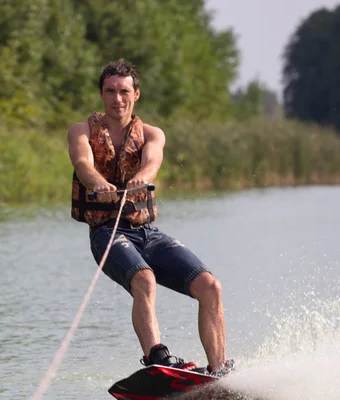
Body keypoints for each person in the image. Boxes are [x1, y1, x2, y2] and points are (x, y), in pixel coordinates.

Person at [67, 59, 234, 376]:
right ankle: (157, 358)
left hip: (148, 233)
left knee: (210, 286)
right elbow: (82, 163)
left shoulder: (152, 134)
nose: (118, 98)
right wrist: (97, 183)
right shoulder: (81, 131)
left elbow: (152, 162)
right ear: (102, 95)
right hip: (107, 233)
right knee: (144, 279)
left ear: (136, 94)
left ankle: (219, 370)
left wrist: (141, 177)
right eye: (111, 91)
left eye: (124, 91)